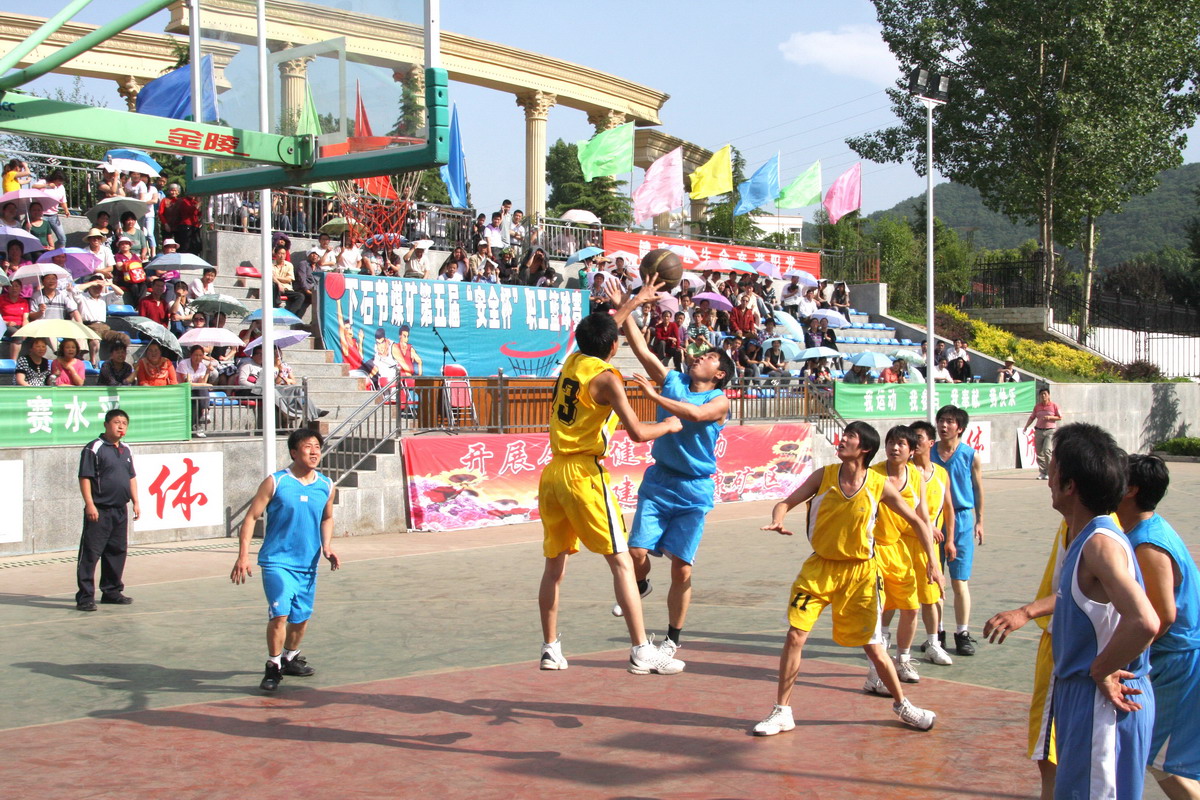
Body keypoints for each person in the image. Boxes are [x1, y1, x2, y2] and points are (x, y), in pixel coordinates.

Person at [752, 421, 940, 736]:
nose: (842, 440)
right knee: (795, 635)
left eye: (849, 437)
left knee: (873, 647)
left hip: (860, 573)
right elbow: (785, 502)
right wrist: (778, 519)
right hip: (819, 570)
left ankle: (902, 705)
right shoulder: (823, 476)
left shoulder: (878, 484)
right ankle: (782, 711)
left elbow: (918, 522)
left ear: (864, 448)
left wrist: (933, 563)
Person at [537, 282, 685, 676]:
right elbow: (637, 432)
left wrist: (632, 302)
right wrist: (670, 425)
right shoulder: (607, 379)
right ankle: (641, 650)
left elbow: (604, 331)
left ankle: (550, 648)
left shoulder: (575, 359)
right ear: (613, 347)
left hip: (553, 474)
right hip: (584, 475)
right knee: (621, 562)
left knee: (554, 568)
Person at [615, 288, 735, 662]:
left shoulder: (719, 401)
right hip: (660, 481)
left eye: (710, 357)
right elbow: (642, 350)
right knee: (636, 551)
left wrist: (653, 398)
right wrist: (627, 306)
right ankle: (641, 584)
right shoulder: (675, 381)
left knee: (682, 571)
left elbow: (695, 416)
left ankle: (672, 638)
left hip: (694, 490)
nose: (700, 357)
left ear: (719, 374)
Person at [1044, 423, 1158, 800]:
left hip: (1100, 702)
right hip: (1086, 698)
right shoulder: (1086, 538)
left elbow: (1145, 620)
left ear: (1070, 485)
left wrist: (1101, 668)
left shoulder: (1099, 545)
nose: (1048, 477)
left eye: (1053, 467)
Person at [1117, 455, 1200, 799]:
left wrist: (1119, 658)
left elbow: (1163, 616)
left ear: (1131, 490)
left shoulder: (1148, 544)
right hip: (1175, 659)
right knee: (1156, 758)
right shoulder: (1144, 531)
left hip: (1180, 663)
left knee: (1159, 760)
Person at [231, 429, 339, 692]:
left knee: (300, 618)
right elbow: (250, 518)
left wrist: (326, 546)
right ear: (293, 452)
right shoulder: (276, 482)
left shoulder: (326, 486)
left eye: (317, 447)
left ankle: (290, 657)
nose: (314, 451)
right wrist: (243, 555)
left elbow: (327, 518)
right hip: (277, 561)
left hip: (307, 564)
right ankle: (273, 665)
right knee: (280, 614)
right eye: (308, 446)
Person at [863, 426, 941, 695]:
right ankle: (875, 674)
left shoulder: (915, 476)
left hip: (899, 551)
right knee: (877, 612)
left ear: (911, 450)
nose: (894, 448)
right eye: (890, 443)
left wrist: (932, 560)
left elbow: (923, 518)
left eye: (900, 444)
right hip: (873, 551)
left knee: (911, 608)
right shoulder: (873, 474)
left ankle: (903, 660)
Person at [931, 404, 985, 656]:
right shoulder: (927, 453)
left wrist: (980, 520)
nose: (944, 425)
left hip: (961, 519)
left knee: (959, 580)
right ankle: (937, 633)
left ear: (960, 428)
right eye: (941, 420)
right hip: (933, 520)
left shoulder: (970, 455)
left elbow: (978, 488)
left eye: (950, 421)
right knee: (934, 580)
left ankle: (962, 633)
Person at [76, 409, 140, 611]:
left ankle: (112, 591)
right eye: (116, 422)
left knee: (116, 552)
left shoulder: (126, 449)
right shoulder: (94, 448)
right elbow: (85, 477)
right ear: (106, 424)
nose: (121, 426)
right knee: (91, 554)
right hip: (99, 510)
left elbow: (131, 477)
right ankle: (85, 597)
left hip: (120, 510)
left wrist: (136, 502)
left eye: (124, 423)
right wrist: (90, 504)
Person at [911, 420, 956, 666]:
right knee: (895, 598)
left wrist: (950, 540)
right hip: (904, 543)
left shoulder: (940, 473)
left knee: (931, 596)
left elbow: (948, 507)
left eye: (918, 437)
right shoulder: (904, 471)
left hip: (930, 546)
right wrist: (927, 525)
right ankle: (883, 643)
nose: (914, 442)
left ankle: (933, 643)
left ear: (930, 442)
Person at [1025, 387, 1063, 481]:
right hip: (1039, 431)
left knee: (1047, 450)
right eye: (1041, 394)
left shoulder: (1054, 406)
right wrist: (1026, 426)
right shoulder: (1037, 407)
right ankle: (1043, 472)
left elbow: (1060, 417)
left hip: (1050, 431)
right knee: (1039, 453)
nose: (1043, 396)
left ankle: (1050, 472)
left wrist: (1049, 417)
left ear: (1048, 395)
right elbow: (1032, 417)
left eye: (1045, 394)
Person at [0, 278, 31, 358]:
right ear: (8, 288)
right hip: (5, 326)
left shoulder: (24, 301)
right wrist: (6, 323)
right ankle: (13, 361)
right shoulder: (1, 299)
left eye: (17, 286)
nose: (14, 288)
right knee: (17, 335)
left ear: (21, 288)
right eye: (12, 286)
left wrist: (25, 329)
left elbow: (25, 318)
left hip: (20, 326)